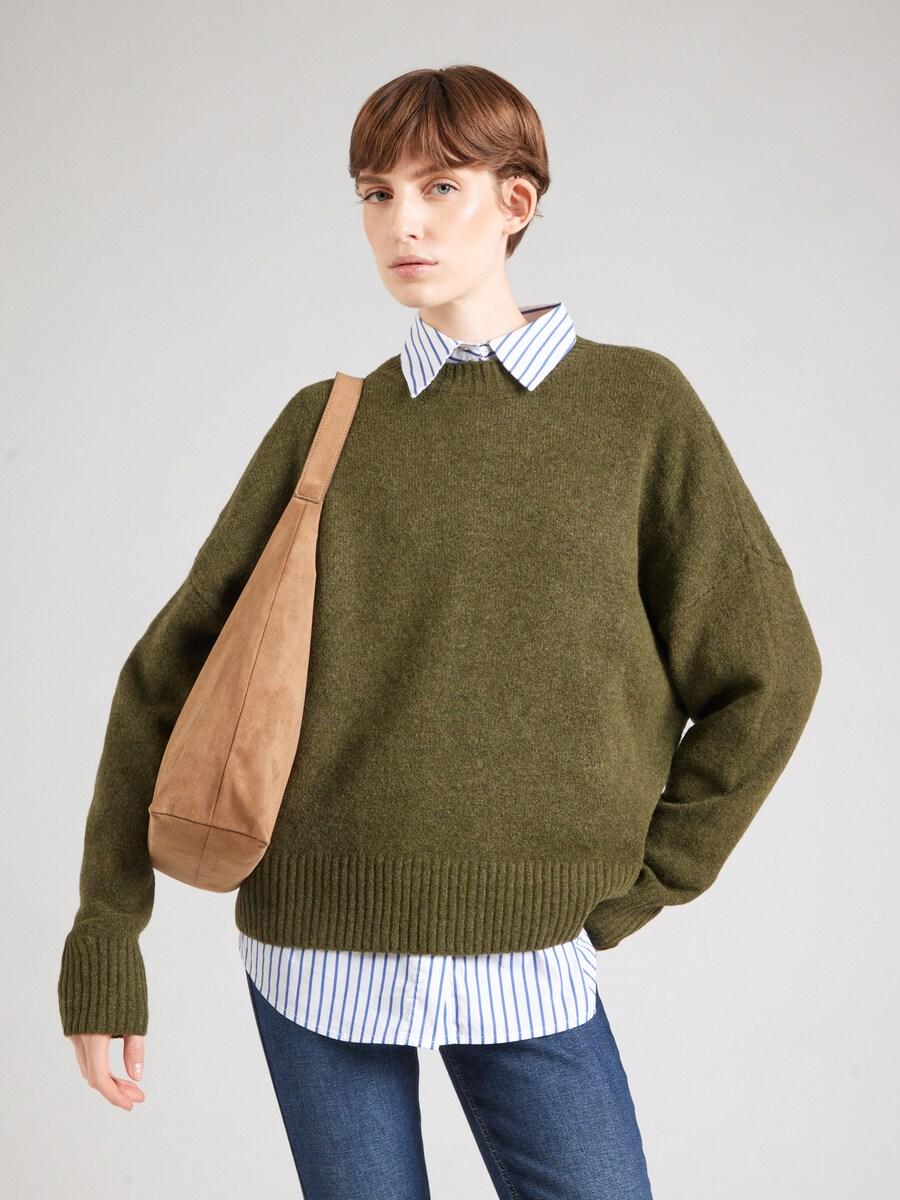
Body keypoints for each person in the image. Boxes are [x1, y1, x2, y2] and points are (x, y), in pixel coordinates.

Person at [58, 65, 822, 1199]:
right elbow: (163, 676)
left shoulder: (637, 408)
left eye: (440, 187)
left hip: (528, 951)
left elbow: (771, 670)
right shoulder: (329, 423)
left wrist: (653, 880)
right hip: (310, 945)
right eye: (376, 193)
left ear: (516, 203)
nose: (401, 223)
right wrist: (107, 935)